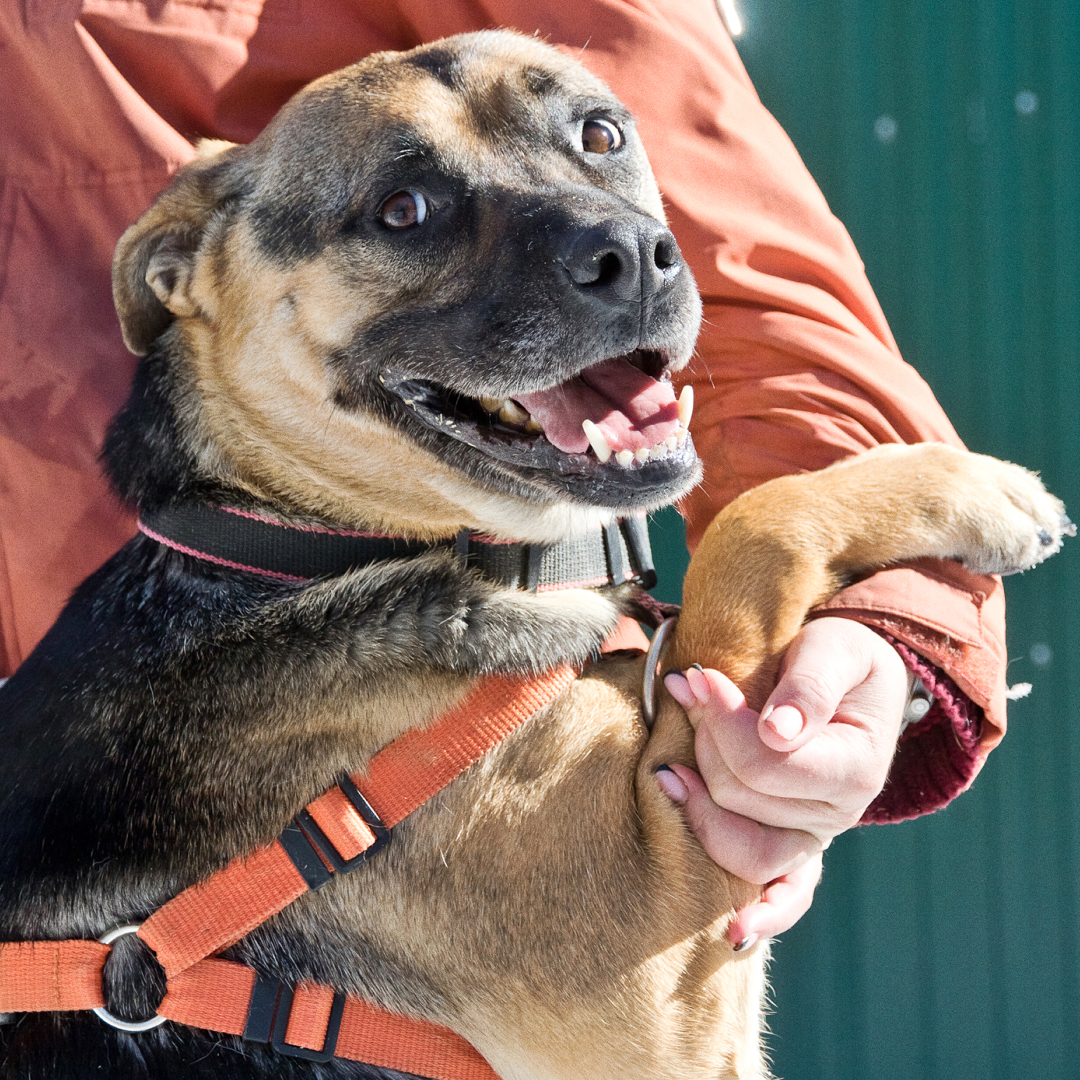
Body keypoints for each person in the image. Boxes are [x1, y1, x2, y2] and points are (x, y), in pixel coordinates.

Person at [1, 0, 1006, 951]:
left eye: (599, 145)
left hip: (430, 721)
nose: (622, 245)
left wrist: (867, 595)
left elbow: (730, 228)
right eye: (407, 209)